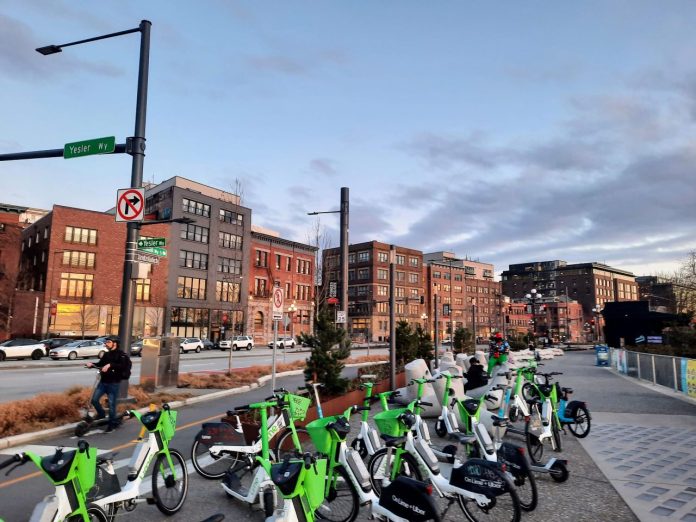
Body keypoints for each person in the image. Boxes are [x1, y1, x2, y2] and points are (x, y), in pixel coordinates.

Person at [86, 336, 128, 432]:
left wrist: (110, 365)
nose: (106, 344)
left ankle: (111, 424)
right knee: (94, 400)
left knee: (112, 404)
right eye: (106, 342)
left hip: (113, 383)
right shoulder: (106, 354)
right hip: (103, 382)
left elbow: (122, 365)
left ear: (115, 343)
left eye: (108, 342)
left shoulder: (121, 355)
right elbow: (100, 364)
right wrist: (92, 364)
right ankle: (101, 414)